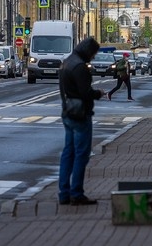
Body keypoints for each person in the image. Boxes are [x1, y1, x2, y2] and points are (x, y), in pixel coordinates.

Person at [57, 36, 104, 206]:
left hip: (68, 111)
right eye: (93, 54)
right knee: (81, 155)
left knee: (68, 153)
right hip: (80, 113)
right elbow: (85, 93)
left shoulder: (67, 62)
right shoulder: (80, 67)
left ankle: (64, 193)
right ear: (88, 51)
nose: (93, 57)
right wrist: (98, 93)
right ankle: (77, 193)